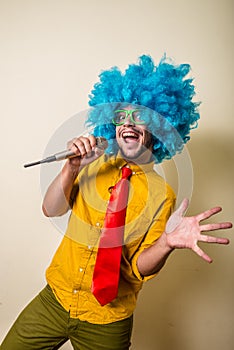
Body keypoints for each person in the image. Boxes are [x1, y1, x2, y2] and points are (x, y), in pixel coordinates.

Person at [1, 55, 232, 350]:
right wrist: (71, 167)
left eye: (140, 117)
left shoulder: (163, 195)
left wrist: (167, 243)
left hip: (108, 319)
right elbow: (51, 209)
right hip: (55, 299)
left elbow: (139, 267)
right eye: (121, 116)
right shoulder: (91, 165)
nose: (128, 123)